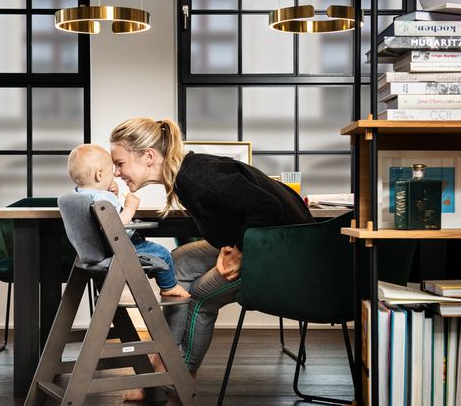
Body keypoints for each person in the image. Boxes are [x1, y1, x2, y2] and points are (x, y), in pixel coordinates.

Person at [110, 117, 314, 382]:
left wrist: (239, 250)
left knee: (199, 297)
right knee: (178, 262)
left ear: (148, 156)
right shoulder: (188, 174)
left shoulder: (197, 177)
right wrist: (232, 240)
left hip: (284, 257)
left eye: (120, 163)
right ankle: (161, 361)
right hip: (269, 243)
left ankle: (182, 379)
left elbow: (267, 206)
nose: (116, 172)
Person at [67, 143, 190, 299]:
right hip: (122, 248)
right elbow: (115, 226)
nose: (115, 175)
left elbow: (102, 219)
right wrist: (129, 208)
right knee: (163, 254)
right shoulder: (102, 198)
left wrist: (113, 197)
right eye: (111, 171)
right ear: (99, 174)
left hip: (96, 250)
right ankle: (169, 287)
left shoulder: (77, 196)